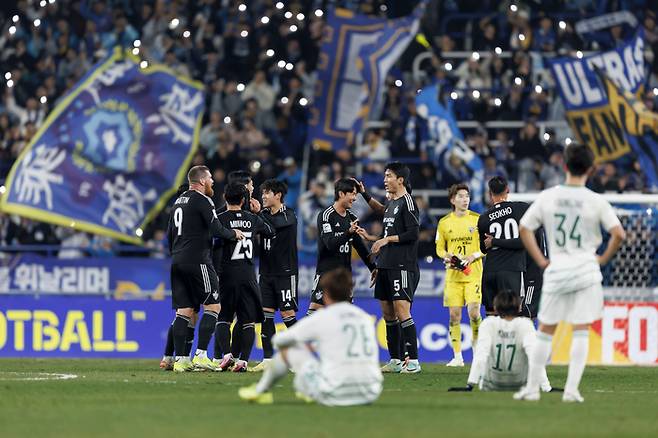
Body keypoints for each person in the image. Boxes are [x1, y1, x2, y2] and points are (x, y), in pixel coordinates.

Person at [515, 143, 625, 403]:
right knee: (581, 330)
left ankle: (532, 389)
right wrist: (601, 259)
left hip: (557, 270)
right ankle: (572, 391)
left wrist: (542, 261)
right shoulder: (596, 200)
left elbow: (524, 228)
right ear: (591, 169)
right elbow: (619, 234)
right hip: (586, 271)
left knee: (544, 331)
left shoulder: (548, 197)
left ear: (564, 166)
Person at [238, 268, 383, 406]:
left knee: (289, 351)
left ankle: (261, 391)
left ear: (326, 294)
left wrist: (308, 346)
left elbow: (279, 341)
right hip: (370, 392)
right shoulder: (364, 318)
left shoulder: (323, 317)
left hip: (335, 394)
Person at [167, 166, 244, 372]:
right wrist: (233, 233)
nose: (212, 182)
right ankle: (201, 355)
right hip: (198, 260)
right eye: (209, 178)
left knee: (184, 310)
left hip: (177, 260)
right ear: (201, 181)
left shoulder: (178, 201)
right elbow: (216, 228)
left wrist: (176, 254)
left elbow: (170, 233)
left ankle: (181, 359)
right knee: (213, 306)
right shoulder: (203, 200)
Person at [356, 162, 421, 374]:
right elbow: (382, 212)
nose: (385, 180)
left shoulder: (408, 202)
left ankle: (413, 361)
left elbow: (412, 234)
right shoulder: (391, 203)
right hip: (385, 264)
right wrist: (372, 237)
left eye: (389, 176)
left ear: (400, 180)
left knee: (403, 311)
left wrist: (385, 240)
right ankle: (395, 359)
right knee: (388, 314)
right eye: (385, 176)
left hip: (403, 264)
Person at [213, 182, 275, 372]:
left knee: (223, 318)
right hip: (248, 274)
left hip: (226, 274)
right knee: (247, 320)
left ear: (225, 197)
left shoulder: (220, 218)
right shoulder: (251, 218)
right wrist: (257, 214)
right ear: (243, 200)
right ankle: (243, 361)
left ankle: (226, 355)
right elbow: (270, 231)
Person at [449, 291, 555, 392]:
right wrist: (546, 387)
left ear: (495, 307)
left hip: (491, 384)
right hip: (520, 384)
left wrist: (470, 385)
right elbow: (534, 357)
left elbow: (480, 355)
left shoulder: (488, 324)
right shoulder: (526, 324)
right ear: (519, 307)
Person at [306, 178, 375, 315]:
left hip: (344, 276)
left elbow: (360, 246)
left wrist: (373, 267)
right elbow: (330, 243)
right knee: (313, 315)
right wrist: (348, 232)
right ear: (342, 194)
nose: (354, 198)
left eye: (356, 194)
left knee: (344, 316)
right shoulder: (325, 215)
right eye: (352, 194)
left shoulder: (352, 217)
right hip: (326, 273)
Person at [252, 179, 299, 372]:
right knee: (266, 316)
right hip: (266, 273)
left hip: (285, 273)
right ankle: (268, 359)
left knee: (288, 315)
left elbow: (276, 225)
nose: (263, 196)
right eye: (262, 193)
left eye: (267, 193)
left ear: (278, 195)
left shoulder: (289, 215)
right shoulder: (262, 215)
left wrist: (257, 216)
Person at [435, 183, 484, 367]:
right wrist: (448, 256)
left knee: (474, 312)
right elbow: (439, 248)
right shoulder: (444, 222)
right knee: (454, 316)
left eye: (467, 196)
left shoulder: (478, 220)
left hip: (473, 274)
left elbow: (486, 245)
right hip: (453, 276)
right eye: (461, 196)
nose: (465, 199)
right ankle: (457, 357)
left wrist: (474, 256)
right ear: (452, 200)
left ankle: (477, 351)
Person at [477, 176, 529, 315]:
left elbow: (483, 248)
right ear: (508, 190)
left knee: (492, 316)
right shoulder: (521, 208)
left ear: (490, 194)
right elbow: (522, 243)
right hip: (512, 270)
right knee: (513, 314)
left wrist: (494, 241)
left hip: (490, 271)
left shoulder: (483, 218)